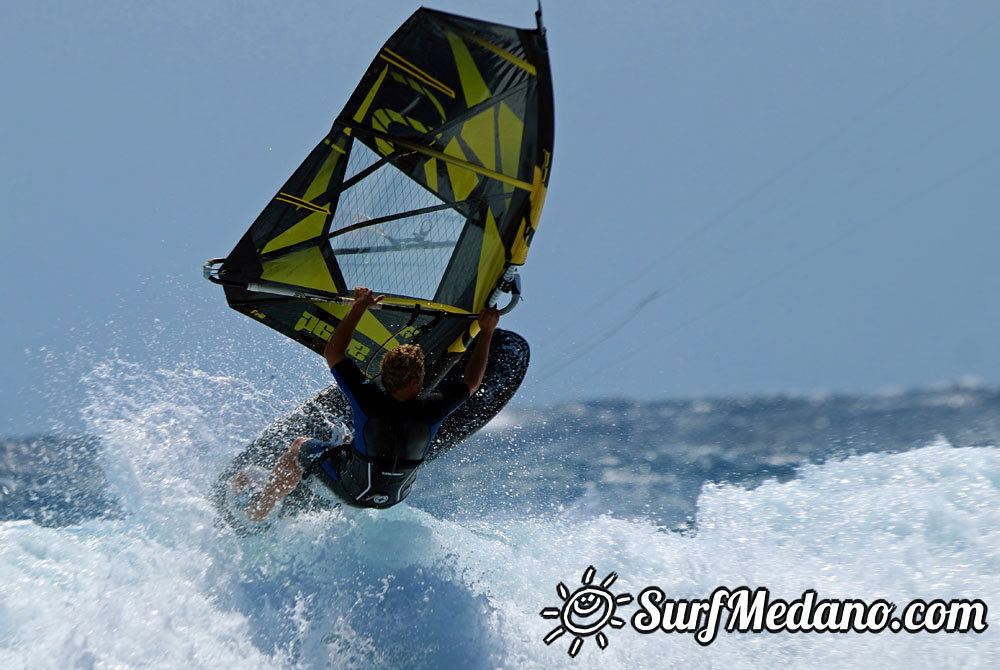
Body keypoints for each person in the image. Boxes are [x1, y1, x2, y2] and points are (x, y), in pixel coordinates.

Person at [243, 286, 500, 521]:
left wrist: (359, 308)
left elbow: (333, 353)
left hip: (353, 491)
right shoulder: (432, 410)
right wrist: (486, 332)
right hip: (394, 498)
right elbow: (472, 382)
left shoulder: (368, 399)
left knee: (299, 446)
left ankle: (261, 507)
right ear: (414, 384)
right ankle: (322, 482)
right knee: (351, 444)